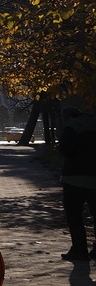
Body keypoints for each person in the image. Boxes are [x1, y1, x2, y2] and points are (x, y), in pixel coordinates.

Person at [57, 105, 96, 261]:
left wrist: (58, 148)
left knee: (74, 215)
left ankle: (79, 250)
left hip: (75, 178)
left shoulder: (71, 127)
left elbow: (66, 149)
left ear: (68, 117)